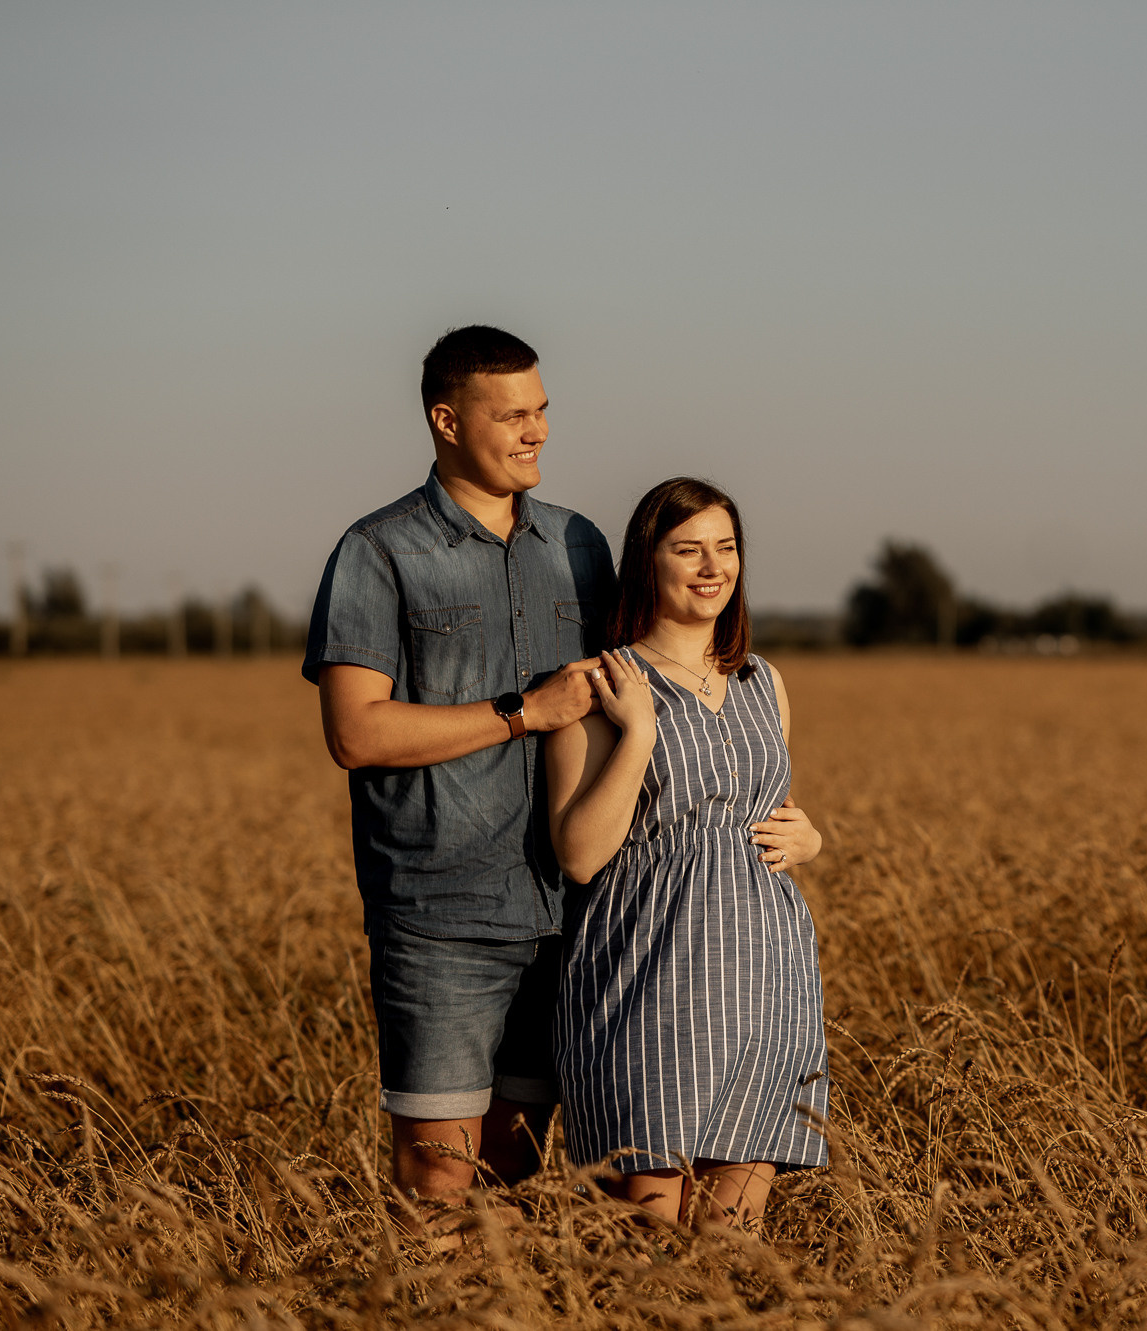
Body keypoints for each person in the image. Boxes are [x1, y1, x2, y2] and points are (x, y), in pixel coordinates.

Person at [302, 325, 614, 1204]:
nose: (537, 430)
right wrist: (524, 713)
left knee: (518, 1167)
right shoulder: (378, 551)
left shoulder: (581, 545)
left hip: (573, 914)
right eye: (512, 414)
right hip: (441, 918)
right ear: (446, 420)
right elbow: (355, 733)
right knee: (439, 1176)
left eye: (541, 409)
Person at [545, 477, 828, 1229]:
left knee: (732, 1239)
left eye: (726, 548)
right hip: (650, 976)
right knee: (647, 1233)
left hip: (766, 977)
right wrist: (637, 732)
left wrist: (810, 838)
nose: (712, 567)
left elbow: (762, 809)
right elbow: (580, 854)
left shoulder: (763, 680)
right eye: (688, 549)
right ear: (648, 560)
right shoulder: (601, 683)